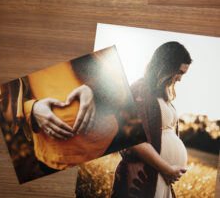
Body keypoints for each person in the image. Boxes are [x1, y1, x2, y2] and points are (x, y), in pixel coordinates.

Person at [18, 47, 143, 173]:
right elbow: (6, 104)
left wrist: (94, 91)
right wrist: (31, 109)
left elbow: (117, 79)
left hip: (107, 143)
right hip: (55, 159)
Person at [110, 41, 192, 198]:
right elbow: (134, 140)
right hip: (145, 174)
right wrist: (167, 168)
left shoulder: (163, 95)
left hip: (161, 176)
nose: (180, 79)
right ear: (166, 66)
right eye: (179, 72)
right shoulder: (138, 90)